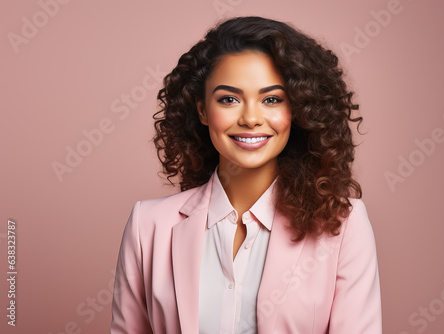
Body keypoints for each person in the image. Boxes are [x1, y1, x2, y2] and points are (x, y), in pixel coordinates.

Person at [110, 16, 382, 334]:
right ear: (201, 109)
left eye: (271, 99)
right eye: (229, 99)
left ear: (297, 110)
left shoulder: (343, 225)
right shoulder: (148, 226)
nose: (251, 118)